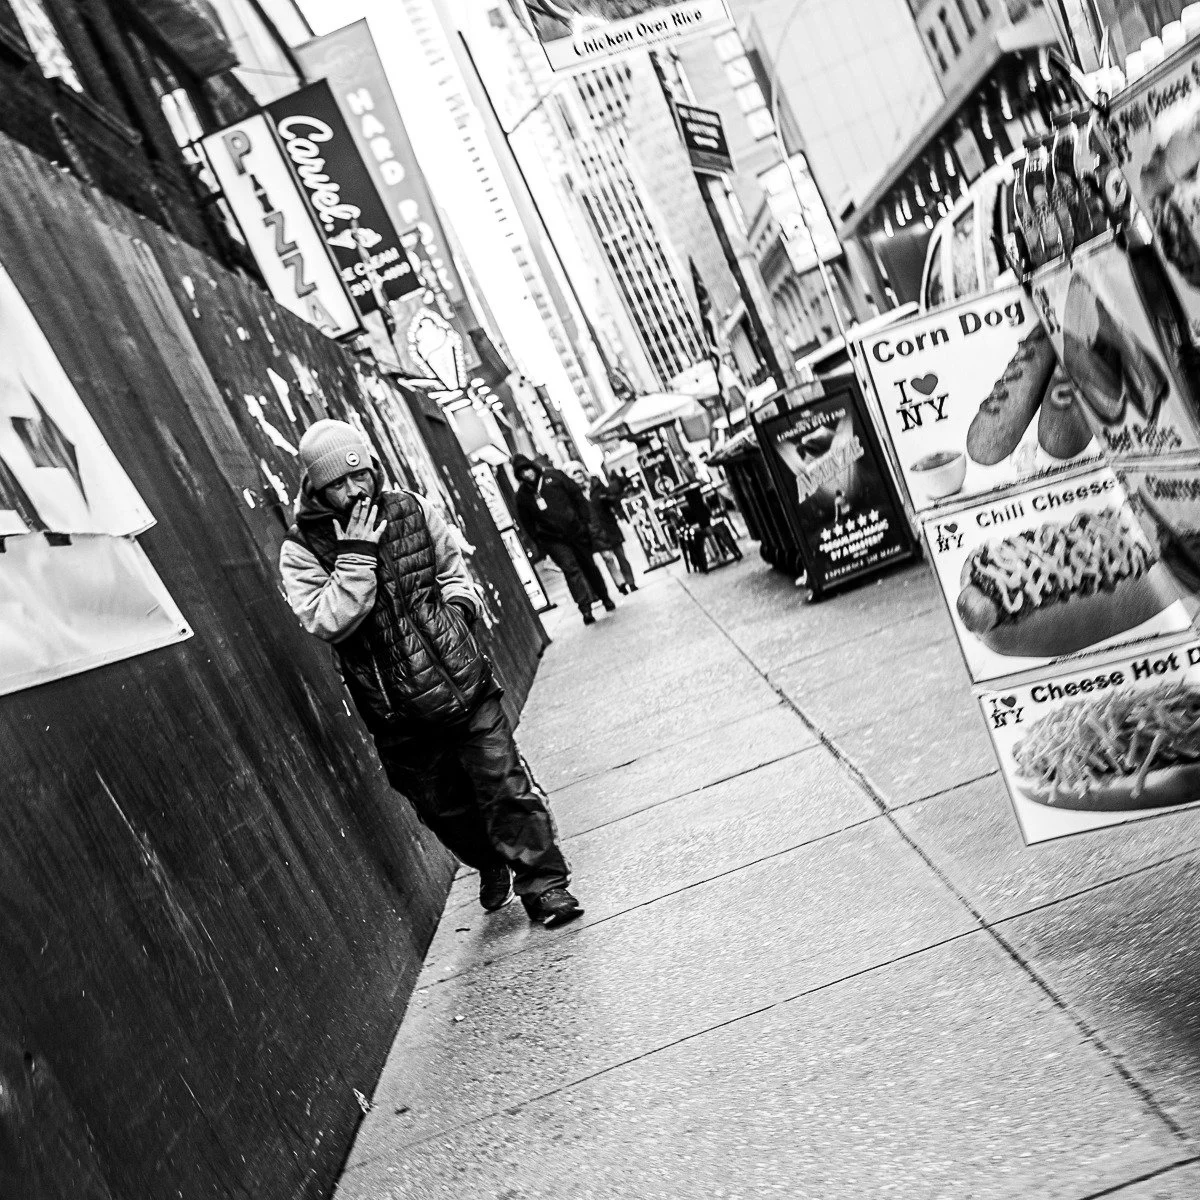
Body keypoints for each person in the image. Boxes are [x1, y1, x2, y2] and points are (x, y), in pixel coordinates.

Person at [278, 420, 583, 927]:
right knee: (446, 812)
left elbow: (451, 571)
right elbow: (325, 619)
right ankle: (489, 860)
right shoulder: (302, 549)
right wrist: (356, 558)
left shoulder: (412, 509)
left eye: (361, 476)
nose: (355, 491)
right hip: (398, 715)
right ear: (315, 485)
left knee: (505, 785)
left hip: (463, 686)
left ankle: (545, 888)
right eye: (338, 483)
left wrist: (459, 615)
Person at [512, 453, 615, 626]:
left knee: (589, 566)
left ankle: (604, 597)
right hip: (553, 540)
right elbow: (527, 524)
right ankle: (585, 609)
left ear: (533, 466)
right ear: (519, 476)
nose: (527, 474)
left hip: (576, 531)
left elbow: (577, 497)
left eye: (528, 469)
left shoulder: (554, 476)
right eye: (522, 473)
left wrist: (583, 522)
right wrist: (541, 544)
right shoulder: (522, 496)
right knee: (571, 570)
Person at [564, 461, 638, 595]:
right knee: (608, 558)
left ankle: (631, 582)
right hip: (594, 530)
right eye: (574, 473)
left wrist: (608, 498)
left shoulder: (595, 484)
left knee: (621, 556)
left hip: (609, 525)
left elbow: (611, 497)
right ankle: (620, 584)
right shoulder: (573, 494)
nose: (578, 475)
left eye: (579, 471)